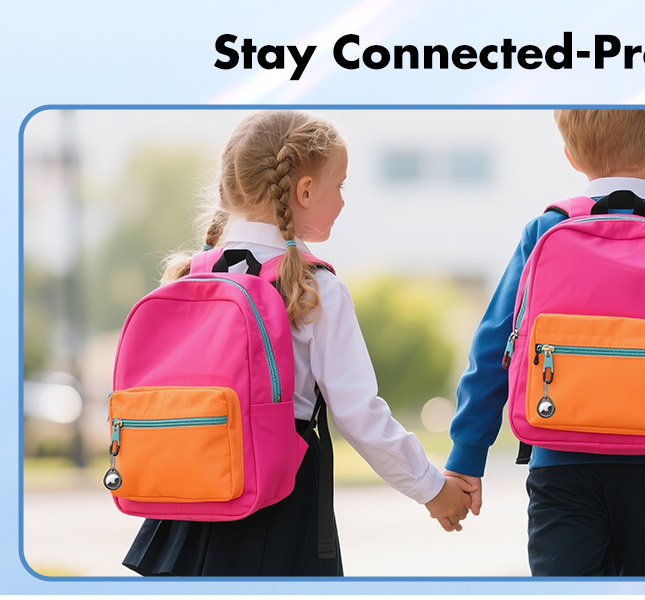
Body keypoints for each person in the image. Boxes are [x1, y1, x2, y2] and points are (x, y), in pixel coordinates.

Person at [123, 110, 475, 577]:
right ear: (305, 191)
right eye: (340, 187)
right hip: (276, 508)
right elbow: (358, 413)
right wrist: (431, 488)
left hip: (184, 508)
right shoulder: (314, 289)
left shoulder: (189, 274)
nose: (344, 202)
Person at [445, 109, 645, 576]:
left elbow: (497, 344)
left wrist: (467, 454)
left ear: (571, 156)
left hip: (559, 457)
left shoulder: (545, 231)